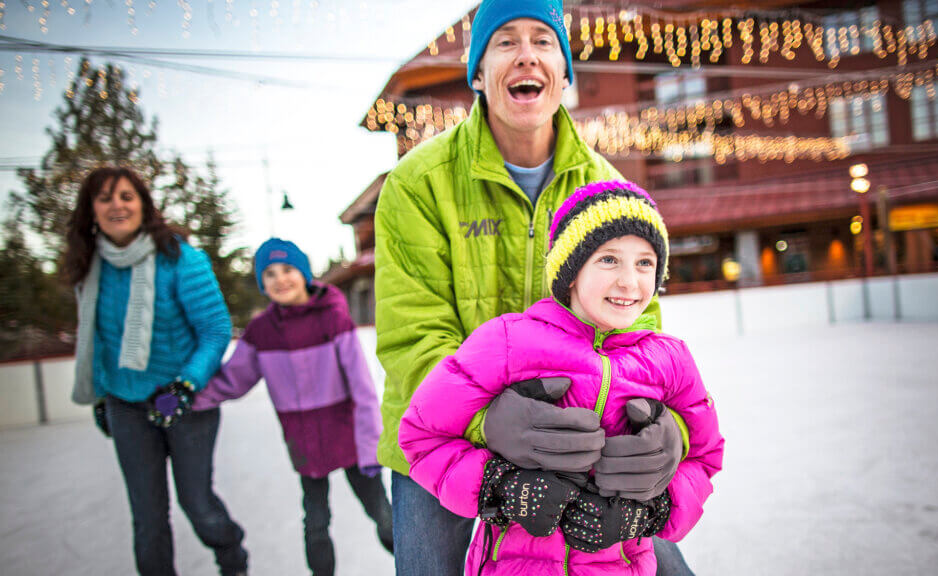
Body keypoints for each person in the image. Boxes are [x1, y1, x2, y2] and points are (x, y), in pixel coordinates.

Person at [374, 0, 695, 573]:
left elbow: (636, 326)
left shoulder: (606, 186)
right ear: (477, 72)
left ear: (565, 74)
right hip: (441, 430)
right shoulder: (416, 183)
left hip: (575, 429)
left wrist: (662, 426)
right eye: (505, 41)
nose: (527, 54)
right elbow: (414, 333)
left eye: (544, 41)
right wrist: (485, 420)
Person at [399, 181, 724, 575]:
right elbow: (422, 435)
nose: (629, 281)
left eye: (645, 263)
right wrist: (501, 487)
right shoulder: (508, 340)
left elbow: (704, 457)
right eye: (608, 260)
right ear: (570, 270)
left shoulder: (670, 359)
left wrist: (649, 514)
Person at [64, 166, 248, 576]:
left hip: (186, 400)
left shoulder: (180, 258)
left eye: (127, 196)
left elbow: (215, 331)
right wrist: (99, 395)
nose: (117, 205)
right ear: (91, 210)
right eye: (106, 197)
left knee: (197, 505)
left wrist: (184, 386)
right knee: (147, 518)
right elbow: (97, 338)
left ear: (143, 205)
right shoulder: (90, 267)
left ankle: (232, 557)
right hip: (124, 403)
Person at [193, 238, 394, 575]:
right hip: (305, 444)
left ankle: (413, 564)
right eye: (269, 273)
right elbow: (233, 380)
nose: (280, 279)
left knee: (383, 515)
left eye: (287, 269)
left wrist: (371, 446)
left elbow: (362, 389)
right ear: (262, 283)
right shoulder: (261, 332)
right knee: (315, 523)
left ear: (303, 273)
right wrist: (187, 398)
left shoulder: (333, 317)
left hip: (350, 440)